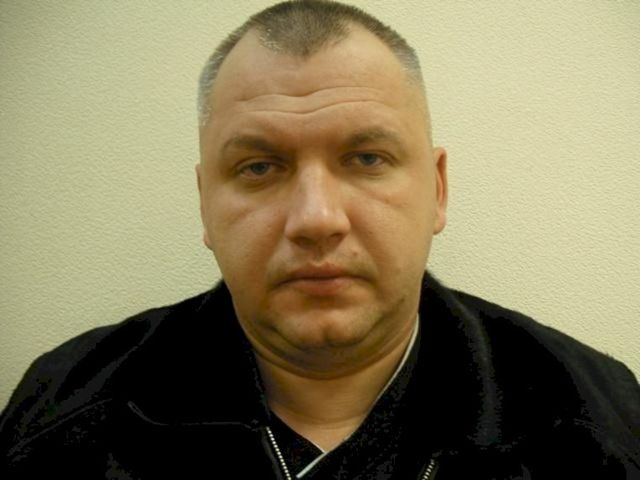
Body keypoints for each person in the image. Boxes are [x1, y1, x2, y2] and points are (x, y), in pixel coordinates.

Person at [1, 0, 638, 478]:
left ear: (438, 189)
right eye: (259, 167)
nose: (316, 219)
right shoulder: (61, 416)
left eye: (366, 159)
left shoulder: (594, 424)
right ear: (205, 205)